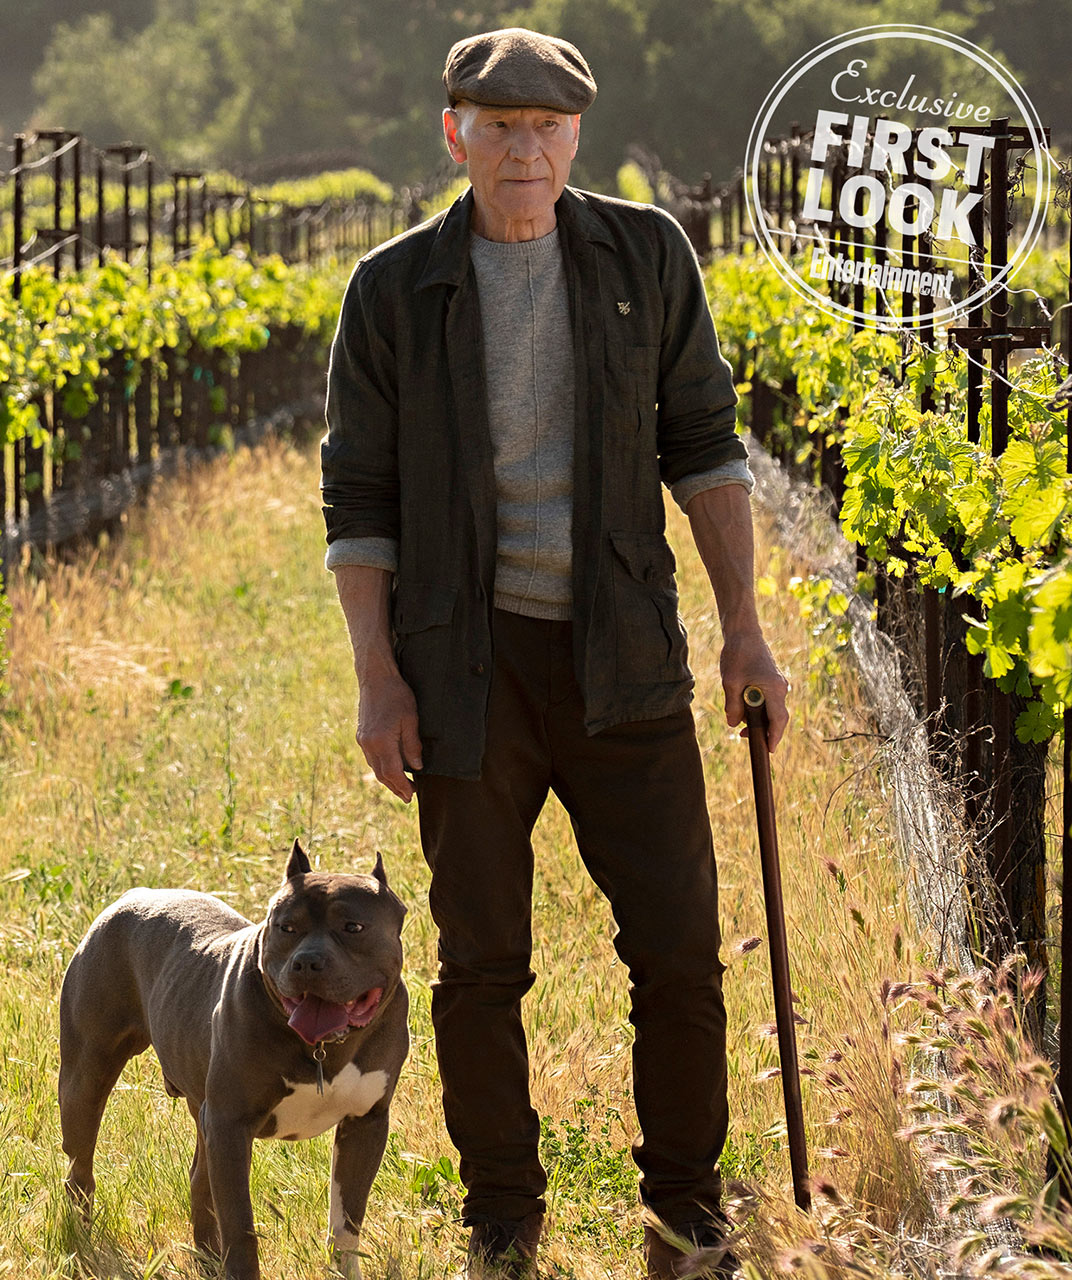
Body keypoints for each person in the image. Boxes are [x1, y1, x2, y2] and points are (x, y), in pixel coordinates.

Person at [317, 26, 791, 1280]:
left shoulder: (645, 258)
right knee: (480, 963)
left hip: (623, 657)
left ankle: (688, 1211)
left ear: (577, 136)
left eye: (545, 129)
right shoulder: (393, 289)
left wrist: (746, 627)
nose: (523, 150)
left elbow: (705, 443)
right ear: (453, 132)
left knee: (680, 949)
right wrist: (378, 674)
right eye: (498, 125)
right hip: (463, 671)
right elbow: (356, 496)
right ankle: (503, 1218)